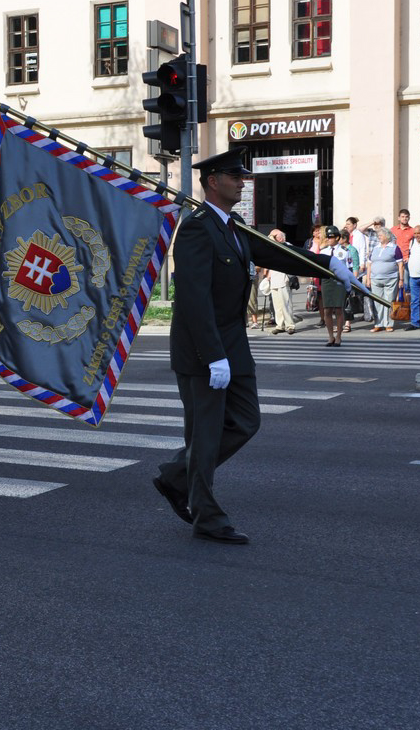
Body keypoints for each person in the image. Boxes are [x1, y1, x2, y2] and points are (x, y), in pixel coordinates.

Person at [153, 149, 356, 545]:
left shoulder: (234, 225)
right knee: (206, 436)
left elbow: (275, 253)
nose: (242, 182)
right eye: (235, 177)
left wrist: (326, 264)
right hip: (203, 350)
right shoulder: (197, 229)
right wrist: (212, 355)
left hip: (233, 346)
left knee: (247, 421)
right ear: (213, 182)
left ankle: (177, 477)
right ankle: (207, 517)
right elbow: (192, 299)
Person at [366, 227, 404, 333]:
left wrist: (401, 279)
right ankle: (378, 324)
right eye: (378, 236)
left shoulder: (394, 248)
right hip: (375, 279)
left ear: (387, 236)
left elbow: (400, 264)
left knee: (388, 301)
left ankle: (388, 324)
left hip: (390, 278)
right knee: (377, 302)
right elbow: (369, 264)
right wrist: (368, 278)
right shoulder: (375, 248)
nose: (379, 237)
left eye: (381, 235)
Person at [320, 227, 349, 345]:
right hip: (327, 281)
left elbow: (349, 268)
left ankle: (338, 336)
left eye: (331, 237)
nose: (328, 239)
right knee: (327, 310)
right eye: (327, 237)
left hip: (339, 281)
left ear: (337, 238)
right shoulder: (323, 251)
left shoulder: (344, 251)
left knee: (338, 309)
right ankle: (330, 336)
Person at [264, 229, 296, 335]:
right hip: (274, 277)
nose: (272, 238)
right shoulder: (272, 247)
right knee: (277, 304)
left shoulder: (287, 246)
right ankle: (280, 324)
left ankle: (290, 325)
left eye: (274, 236)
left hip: (284, 277)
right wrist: (268, 273)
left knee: (285, 303)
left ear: (281, 237)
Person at [392, 209, 416, 292]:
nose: (404, 218)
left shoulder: (413, 231)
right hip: (394, 259)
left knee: (406, 284)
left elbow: (415, 246)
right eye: (402, 217)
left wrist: (410, 257)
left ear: (409, 218)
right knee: (394, 284)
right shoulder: (393, 230)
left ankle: (407, 304)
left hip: (406, 259)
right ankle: (395, 304)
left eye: (406, 217)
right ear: (398, 218)